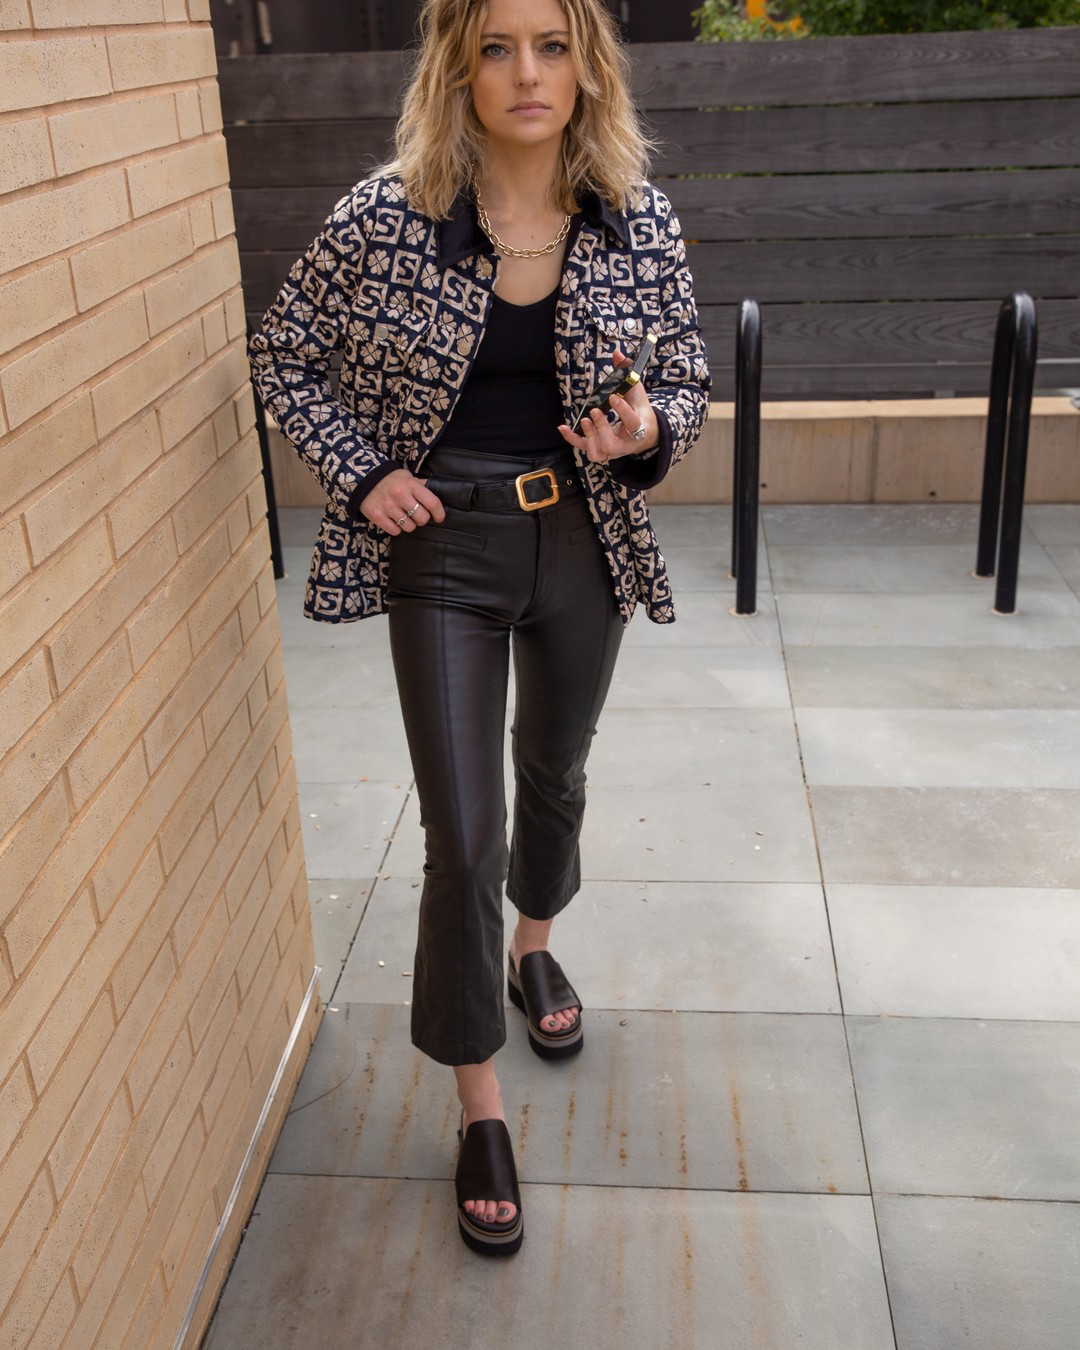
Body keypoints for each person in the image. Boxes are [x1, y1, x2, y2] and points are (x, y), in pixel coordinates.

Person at [248, 0, 710, 1257]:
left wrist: (650, 429)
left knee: (554, 771)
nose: (526, 72)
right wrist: (360, 472)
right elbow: (284, 353)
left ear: (587, 66)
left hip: (584, 539)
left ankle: (535, 947)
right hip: (443, 547)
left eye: (551, 46)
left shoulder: (637, 217)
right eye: (497, 47)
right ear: (457, 68)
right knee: (461, 836)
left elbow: (684, 376)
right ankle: (478, 1102)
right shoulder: (385, 215)